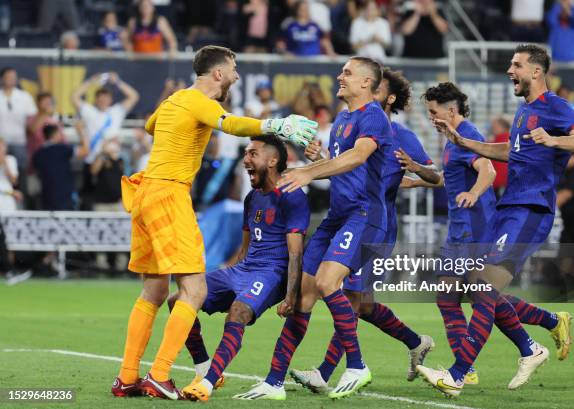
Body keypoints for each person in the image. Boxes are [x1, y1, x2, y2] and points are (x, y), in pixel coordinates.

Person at [110, 45, 317, 400]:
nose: (236, 76)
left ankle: (127, 376)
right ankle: (159, 375)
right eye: (234, 69)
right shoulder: (200, 101)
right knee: (196, 290)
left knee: (155, 291)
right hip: (169, 195)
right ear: (218, 73)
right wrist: (275, 125)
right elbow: (231, 124)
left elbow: (150, 124)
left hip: (145, 194)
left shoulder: (176, 99)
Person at [416, 44, 574, 397]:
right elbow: (506, 152)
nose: (510, 70)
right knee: (479, 289)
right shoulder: (523, 110)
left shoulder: (554, 107)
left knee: (483, 290)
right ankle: (534, 345)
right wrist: (462, 140)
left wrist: (556, 140)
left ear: (536, 72)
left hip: (531, 210)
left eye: (516, 65)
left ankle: (457, 374)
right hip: (507, 210)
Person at [235, 56, 391, 401]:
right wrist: (317, 161)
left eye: (347, 72)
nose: (340, 76)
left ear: (367, 82)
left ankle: (357, 365)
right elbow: (343, 168)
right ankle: (274, 382)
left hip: (365, 215)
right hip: (338, 215)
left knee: (326, 282)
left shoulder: (373, 116)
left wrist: (308, 173)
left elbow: (359, 157)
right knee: (302, 297)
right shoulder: (342, 120)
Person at [287, 67, 440, 394]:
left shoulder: (401, 135)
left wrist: (414, 171)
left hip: (374, 221)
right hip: (347, 216)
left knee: (350, 298)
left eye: (377, 88)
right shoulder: (351, 122)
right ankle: (415, 342)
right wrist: (322, 160)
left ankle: (328, 372)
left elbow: (437, 177)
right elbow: (349, 172)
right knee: (362, 303)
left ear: (388, 96)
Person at [170, 136, 310, 401]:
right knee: (178, 299)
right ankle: (204, 368)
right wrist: (227, 275)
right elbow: (245, 248)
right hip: (244, 269)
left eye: (253, 154)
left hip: (272, 273)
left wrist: (290, 296)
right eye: (246, 153)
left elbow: (295, 252)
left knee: (238, 312)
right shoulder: (251, 198)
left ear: (272, 160)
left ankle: (207, 385)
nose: (245, 159)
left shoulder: (291, 196)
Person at [71, 72, 139, 166]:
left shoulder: (116, 111)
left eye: (106, 98)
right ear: (95, 99)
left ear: (111, 100)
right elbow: (74, 97)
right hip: (92, 159)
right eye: (100, 98)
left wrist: (118, 82)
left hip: (112, 158)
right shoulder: (90, 111)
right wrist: (90, 81)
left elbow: (134, 96)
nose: (103, 100)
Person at [32, 124, 88, 211]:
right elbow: (85, 151)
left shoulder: (38, 154)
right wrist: (81, 133)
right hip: (66, 197)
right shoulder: (62, 149)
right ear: (56, 134)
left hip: (47, 197)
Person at [0, 67, 37, 171]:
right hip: (0, 143)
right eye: (9, 77)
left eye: (14, 77)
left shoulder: (24, 96)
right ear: (2, 78)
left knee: (21, 172)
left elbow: (31, 119)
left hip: (19, 142)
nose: (12, 79)